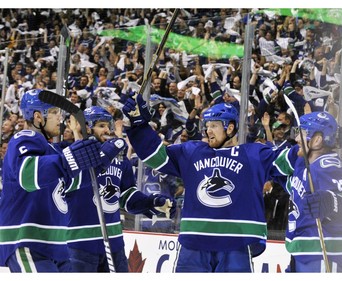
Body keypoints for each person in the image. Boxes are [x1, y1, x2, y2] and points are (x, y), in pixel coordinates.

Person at [122, 94, 296, 272]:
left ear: (230, 128)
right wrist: (138, 126)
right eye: (207, 126)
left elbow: (286, 160)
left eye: (214, 125)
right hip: (194, 243)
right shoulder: (192, 151)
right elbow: (156, 156)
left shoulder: (253, 154)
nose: (208, 131)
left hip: (236, 243)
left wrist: (309, 145)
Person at [0, 89, 124, 272]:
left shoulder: (52, 149)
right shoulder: (24, 138)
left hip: (56, 246)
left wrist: (101, 159)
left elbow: (75, 181)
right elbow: (28, 175)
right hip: (28, 241)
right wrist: (72, 157)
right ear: (38, 117)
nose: (60, 118)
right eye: (54, 113)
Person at [64, 105, 176, 272]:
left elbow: (127, 197)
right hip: (80, 244)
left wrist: (152, 202)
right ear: (87, 127)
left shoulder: (119, 160)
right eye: (101, 126)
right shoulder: (72, 158)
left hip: (114, 243)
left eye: (108, 126)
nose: (107, 130)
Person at [273, 111, 342, 272]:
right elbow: (296, 188)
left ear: (317, 140)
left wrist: (332, 202)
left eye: (302, 134)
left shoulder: (330, 166)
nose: (297, 139)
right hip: (302, 255)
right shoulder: (303, 163)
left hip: (326, 255)